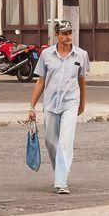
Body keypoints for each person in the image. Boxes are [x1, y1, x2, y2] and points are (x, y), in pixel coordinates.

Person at [27, 20, 88, 195]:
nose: (68, 37)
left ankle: (61, 182)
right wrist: (32, 106)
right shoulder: (46, 55)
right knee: (51, 142)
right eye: (64, 34)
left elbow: (82, 80)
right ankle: (60, 170)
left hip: (71, 102)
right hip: (51, 104)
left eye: (70, 33)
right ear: (57, 35)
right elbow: (40, 81)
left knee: (65, 142)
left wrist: (82, 103)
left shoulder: (81, 55)